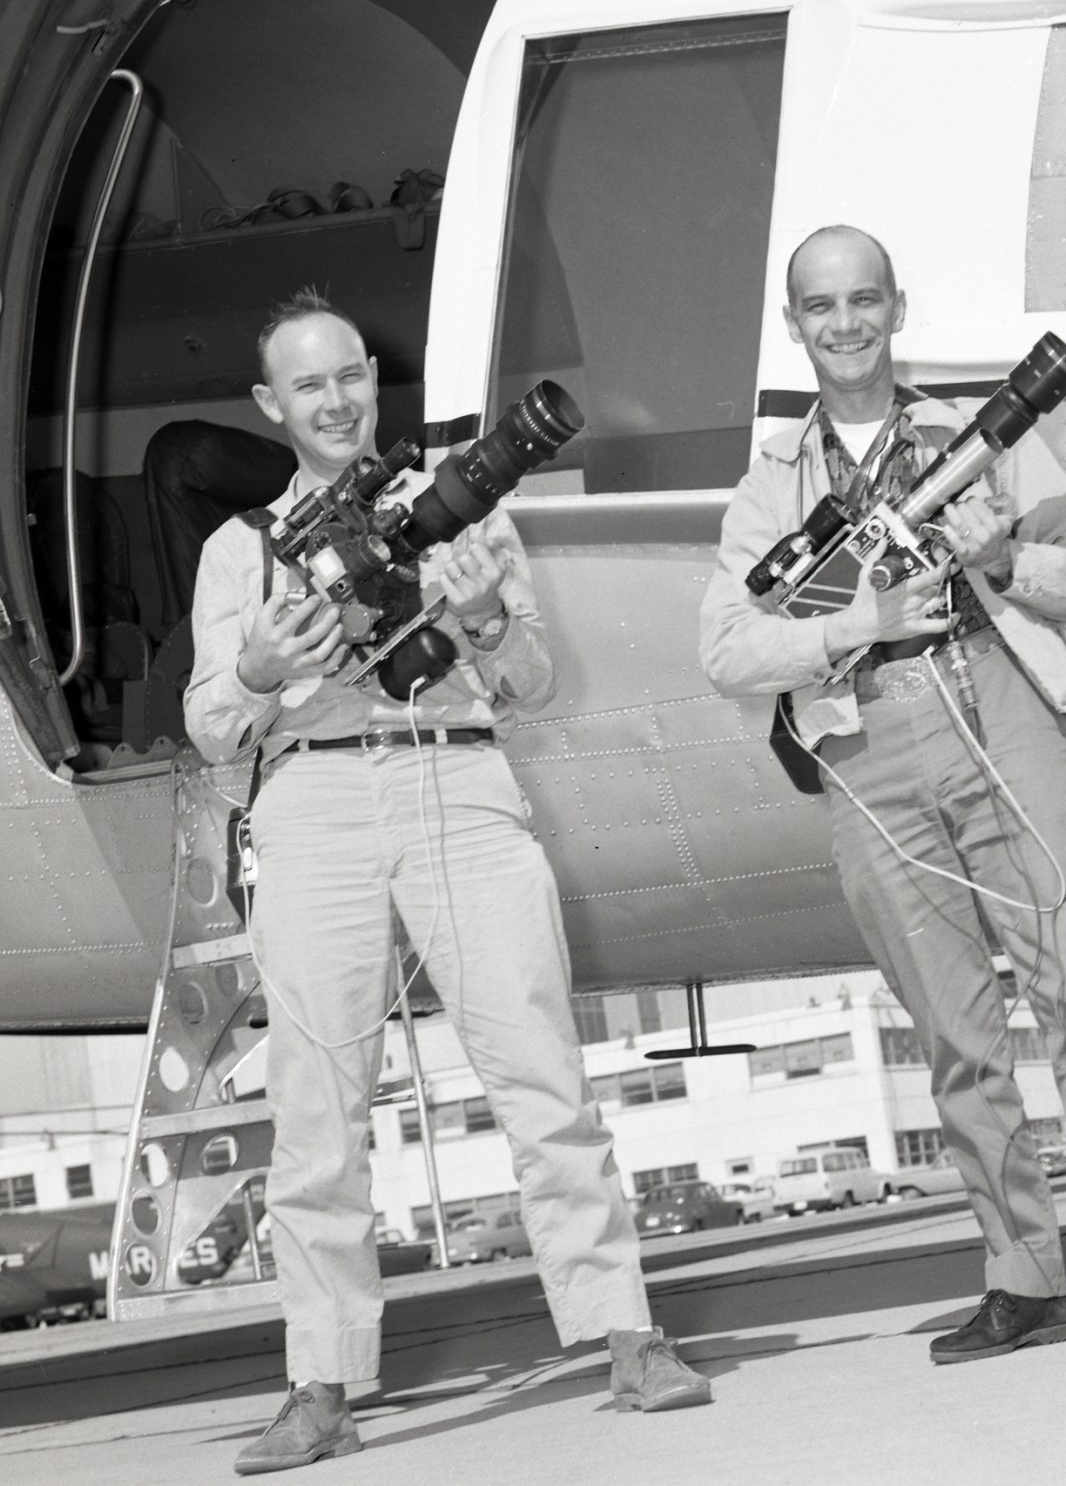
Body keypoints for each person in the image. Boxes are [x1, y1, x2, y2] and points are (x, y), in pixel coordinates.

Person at [186, 289, 709, 1475]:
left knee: (538, 1070)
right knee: (316, 1109)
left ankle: (624, 1333)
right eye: (308, 384)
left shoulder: (458, 519)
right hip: (312, 799)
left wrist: (479, 619)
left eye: (351, 376)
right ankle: (320, 1383)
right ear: (273, 404)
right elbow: (213, 727)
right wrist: (262, 665)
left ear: (375, 381)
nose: (335, 400)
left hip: (459, 781)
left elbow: (533, 685)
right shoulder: (239, 552)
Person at [700, 227, 1066, 1361]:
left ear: (895, 308)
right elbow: (726, 650)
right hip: (866, 740)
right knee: (952, 1027)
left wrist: (1003, 556)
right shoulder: (768, 485)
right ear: (792, 325)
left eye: (862, 299)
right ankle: (1019, 1278)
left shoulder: (982, 440)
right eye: (819, 306)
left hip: (999, 708)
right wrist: (851, 626)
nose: (843, 323)